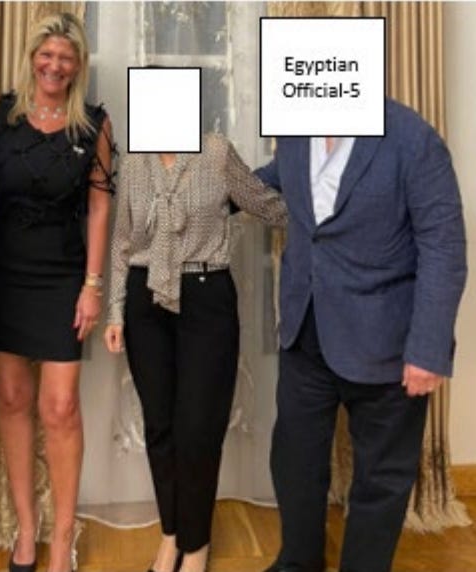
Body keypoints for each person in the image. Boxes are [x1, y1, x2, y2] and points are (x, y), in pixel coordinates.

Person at [253, 98, 467, 572]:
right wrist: (211, 178)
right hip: (306, 332)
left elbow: (443, 247)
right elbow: (276, 178)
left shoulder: (414, 139)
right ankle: (298, 562)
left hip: (386, 342)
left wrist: (428, 349)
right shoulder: (296, 128)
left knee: (381, 479)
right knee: (294, 461)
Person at [104, 133, 287, 572]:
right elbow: (122, 242)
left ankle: (196, 542)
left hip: (207, 297)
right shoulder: (136, 161)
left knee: (199, 430)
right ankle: (171, 535)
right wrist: (115, 311)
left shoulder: (216, 152)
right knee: (160, 425)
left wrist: (322, 202)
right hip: (145, 299)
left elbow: (267, 205)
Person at [0, 12, 113, 572]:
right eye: (47, 54)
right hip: (2, 278)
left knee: (59, 408)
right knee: (12, 400)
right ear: (33, 57)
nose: (55, 65)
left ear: (78, 65)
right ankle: (25, 528)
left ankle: (62, 537)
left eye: (66, 57)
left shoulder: (94, 125)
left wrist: (92, 285)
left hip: (62, 278)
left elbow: (101, 207)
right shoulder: (0, 115)